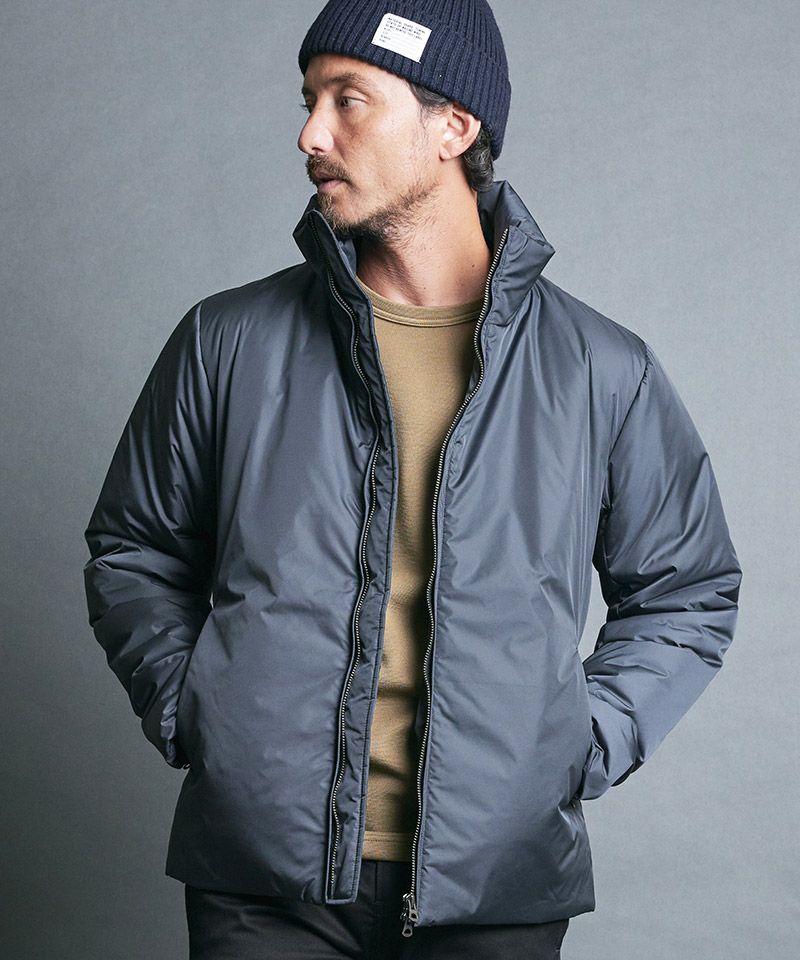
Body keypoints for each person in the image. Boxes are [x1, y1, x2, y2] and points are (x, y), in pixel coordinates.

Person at [82, 1, 743, 957]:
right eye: (310, 101)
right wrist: (199, 712)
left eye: (349, 100)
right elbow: (133, 549)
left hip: (497, 885)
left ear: (454, 127)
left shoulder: (601, 369)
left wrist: (574, 742)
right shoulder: (226, 341)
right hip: (263, 881)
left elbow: (689, 588)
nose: (311, 135)